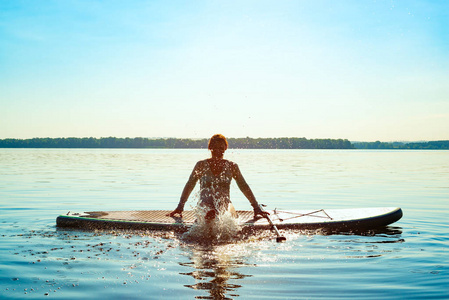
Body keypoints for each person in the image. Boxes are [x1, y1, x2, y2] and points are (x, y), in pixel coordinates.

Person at [167, 134, 269, 220]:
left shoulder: (232, 166)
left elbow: (244, 186)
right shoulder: (201, 165)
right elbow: (189, 185)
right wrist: (180, 207)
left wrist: (256, 208)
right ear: (210, 148)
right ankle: (209, 216)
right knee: (206, 209)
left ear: (225, 148)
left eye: (221, 148)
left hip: (224, 204)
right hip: (204, 204)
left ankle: (218, 217)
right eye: (215, 147)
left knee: (227, 212)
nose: (218, 151)